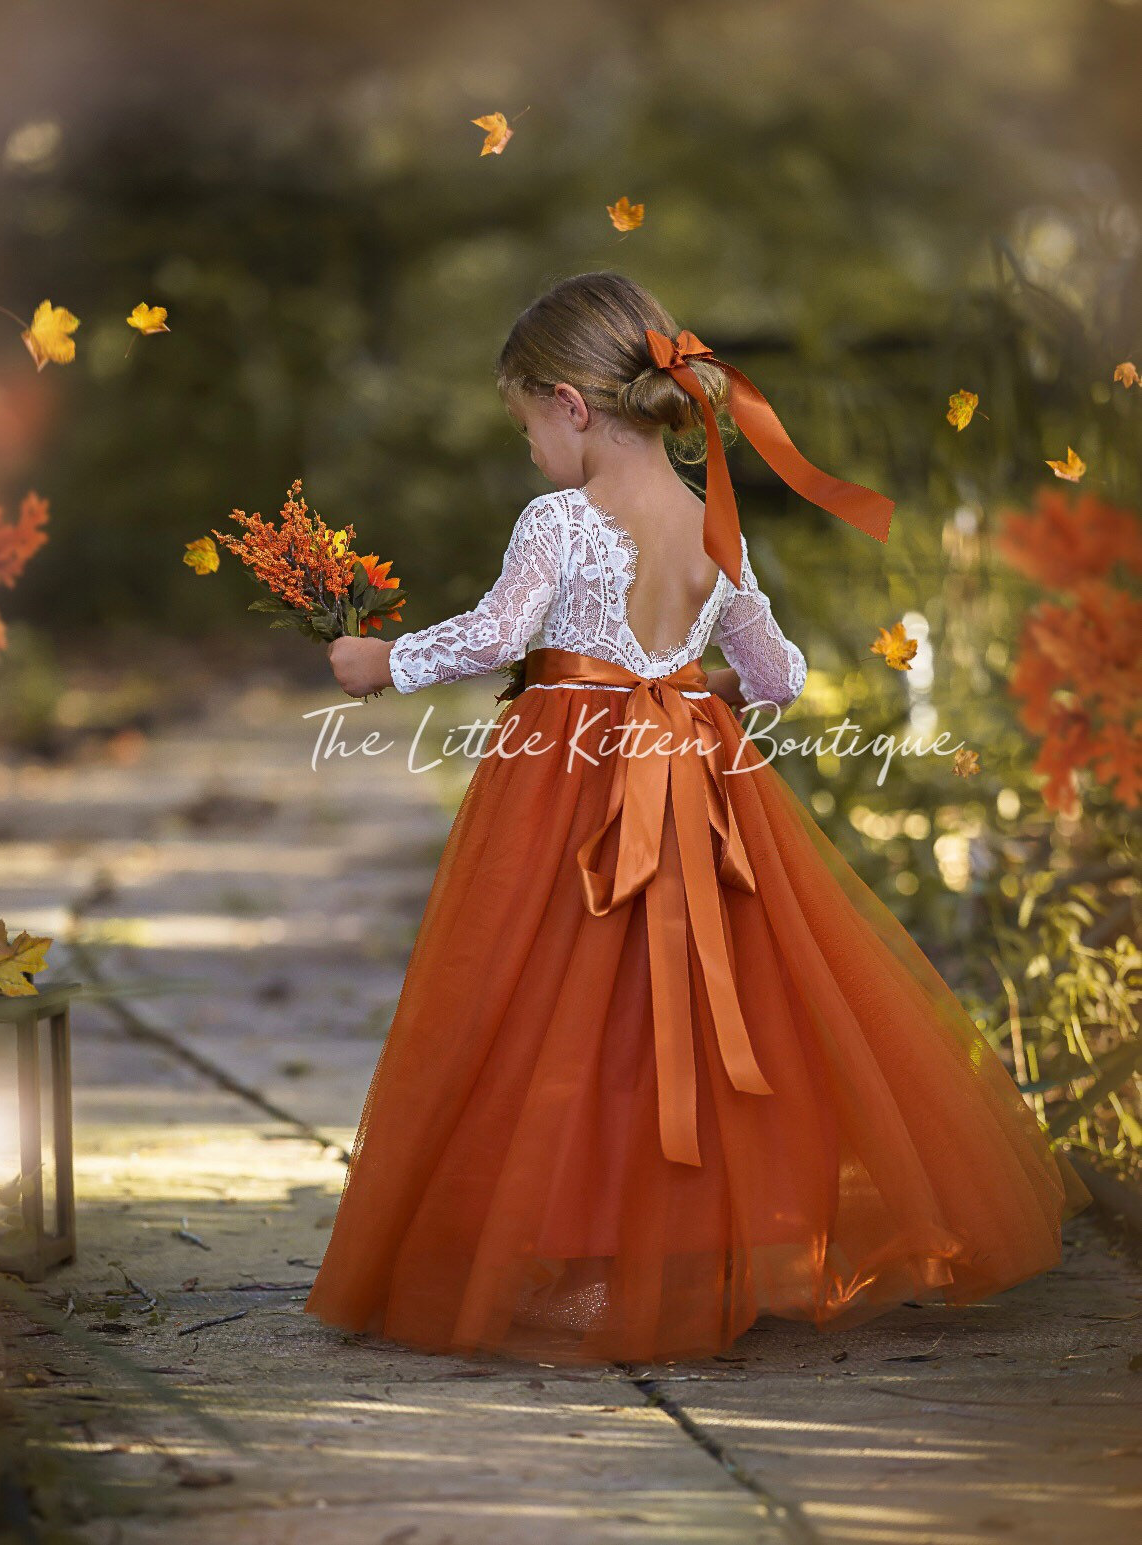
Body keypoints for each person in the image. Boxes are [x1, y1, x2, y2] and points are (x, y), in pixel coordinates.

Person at [305, 270, 1088, 1366]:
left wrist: (379, 662)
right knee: (680, 1013)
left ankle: (563, 1254)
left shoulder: (560, 519)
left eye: (528, 423)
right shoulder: (715, 521)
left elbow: (493, 635)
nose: (532, 450)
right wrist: (702, 684)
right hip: (697, 779)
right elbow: (777, 675)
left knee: (544, 1001)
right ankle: (692, 1249)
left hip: (565, 789)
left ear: (572, 406)